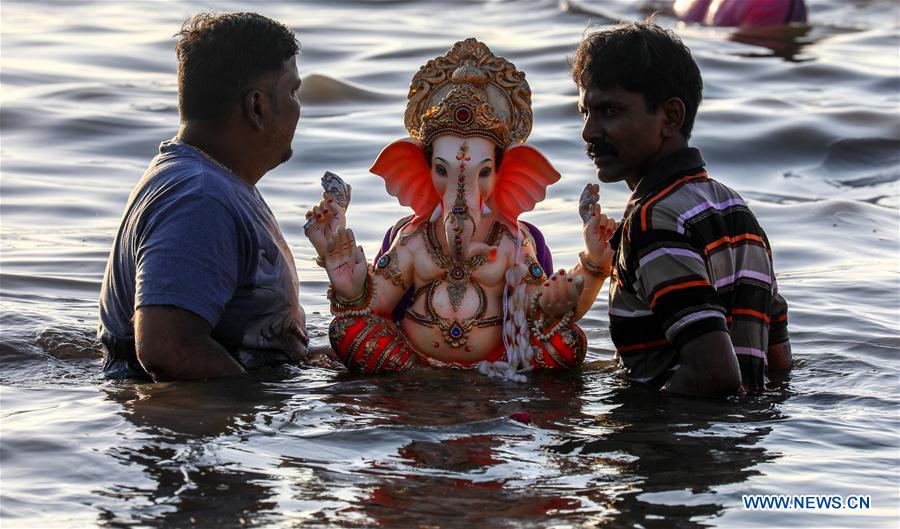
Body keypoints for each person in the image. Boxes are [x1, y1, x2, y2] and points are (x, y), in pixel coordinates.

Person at [302, 39, 617, 379]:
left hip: (494, 368)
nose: (461, 193)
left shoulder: (512, 241)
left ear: (507, 174)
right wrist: (349, 284)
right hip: (412, 362)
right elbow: (377, 303)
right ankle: (418, 377)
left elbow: (535, 309)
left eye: (483, 172)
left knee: (567, 341)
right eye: (442, 170)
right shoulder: (413, 238)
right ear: (419, 171)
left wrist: (586, 273)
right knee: (346, 330)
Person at [572, 21, 791, 397]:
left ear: (670, 117)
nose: (588, 132)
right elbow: (779, 364)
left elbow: (714, 373)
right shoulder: (736, 210)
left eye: (609, 111)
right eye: (585, 112)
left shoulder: (651, 220)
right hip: (745, 432)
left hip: (678, 432)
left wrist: (637, 419)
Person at [98, 12, 307, 381]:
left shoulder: (212, 183)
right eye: (292, 92)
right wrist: (250, 402)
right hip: (197, 416)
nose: (298, 108)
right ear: (257, 107)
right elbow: (167, 348)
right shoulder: (200, 198)